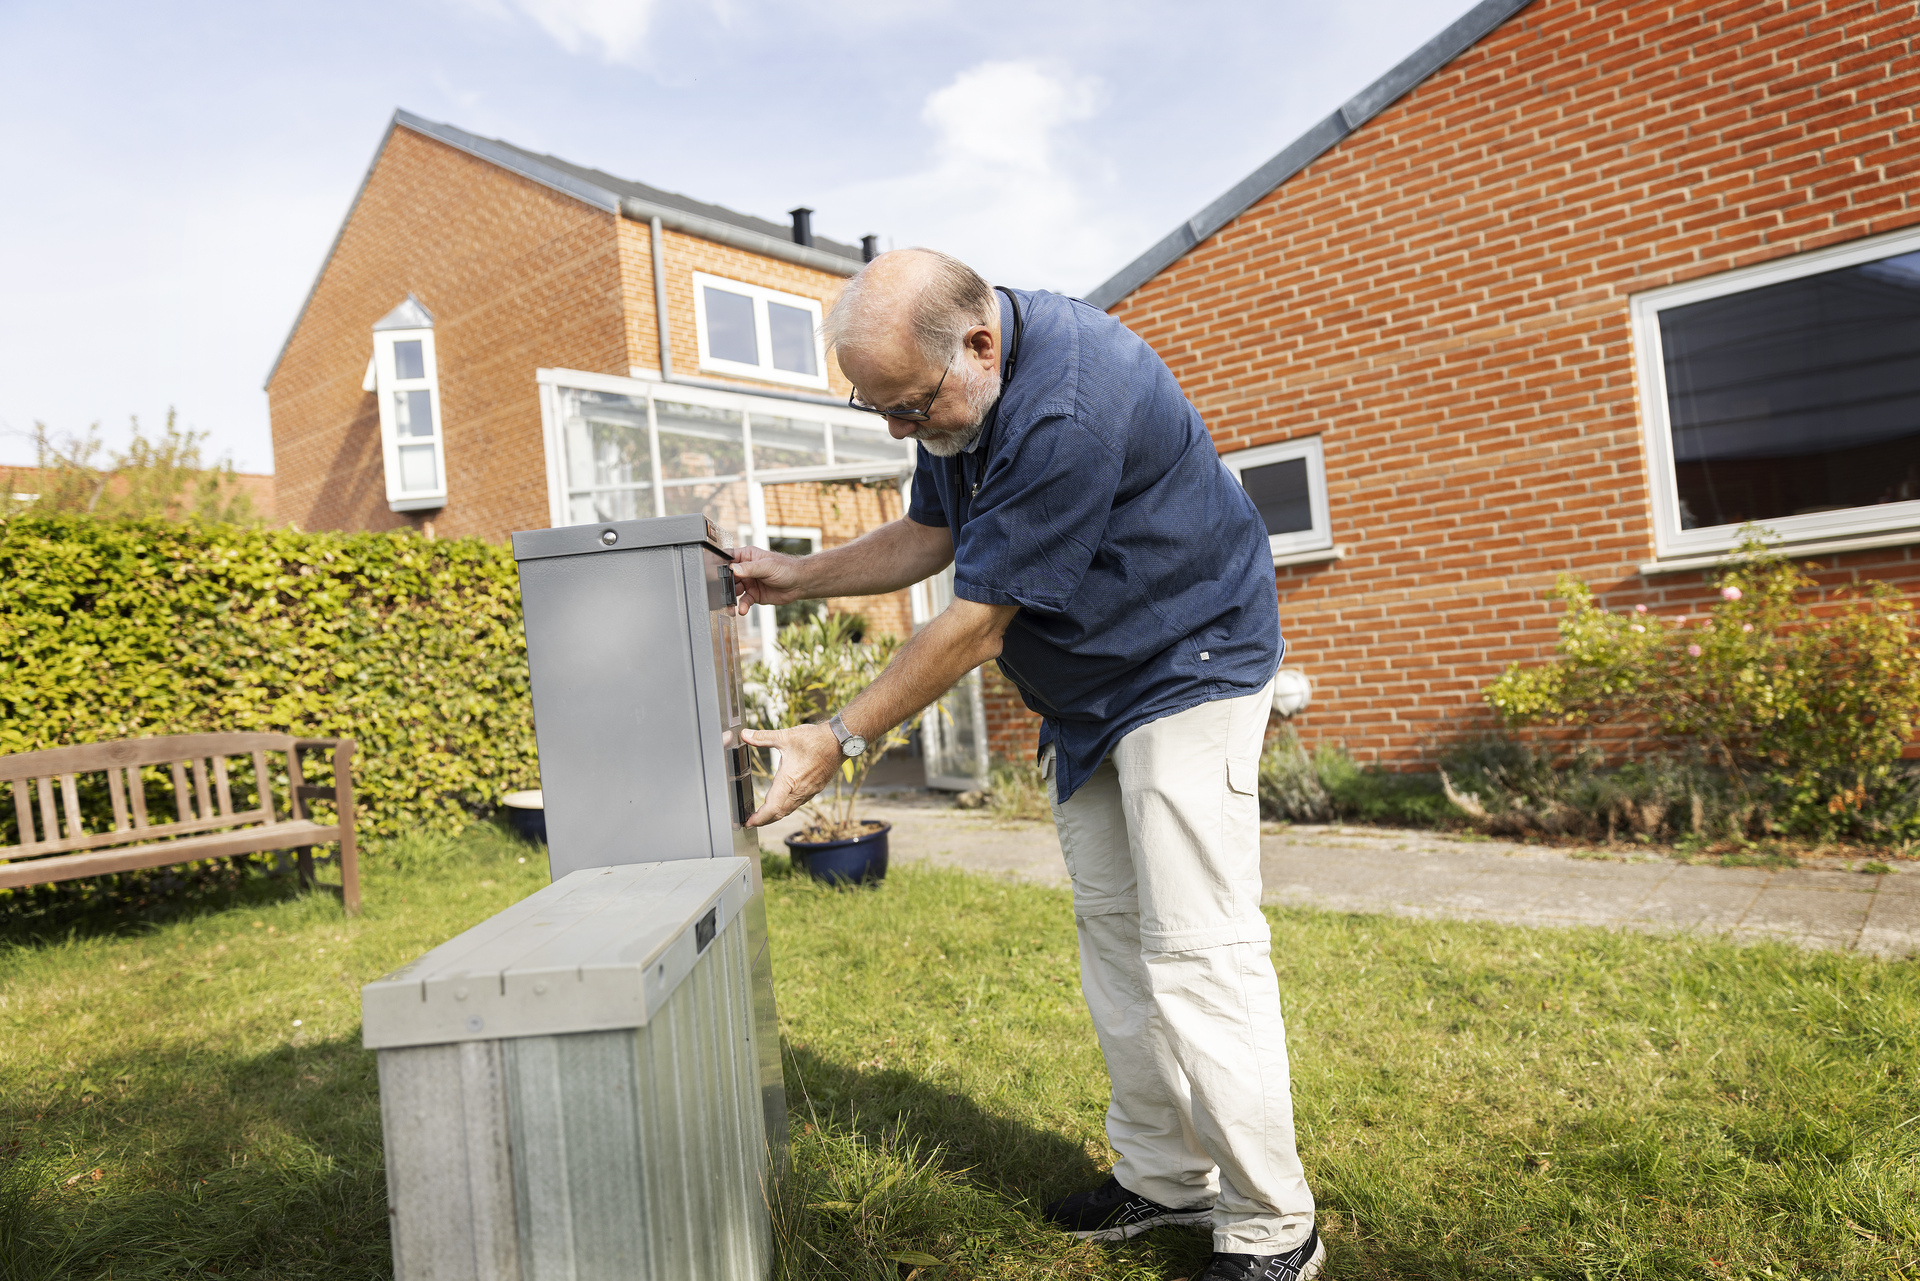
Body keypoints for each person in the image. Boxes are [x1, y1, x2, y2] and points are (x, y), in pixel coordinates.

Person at [731, 248, 1321, 1281]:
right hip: (1090, 692)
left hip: (1192, 662)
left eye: (910, 409)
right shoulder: (954, 391)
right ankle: (1163, 1179)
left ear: (981, 344)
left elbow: (975, 623)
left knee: (1197, 948)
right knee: (1116, 937)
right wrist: (799, 576)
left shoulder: (1066, 404)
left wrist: (841, 735)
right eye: (883, 414)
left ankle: (1275, 1228)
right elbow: (931, 529)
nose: (902, 430)